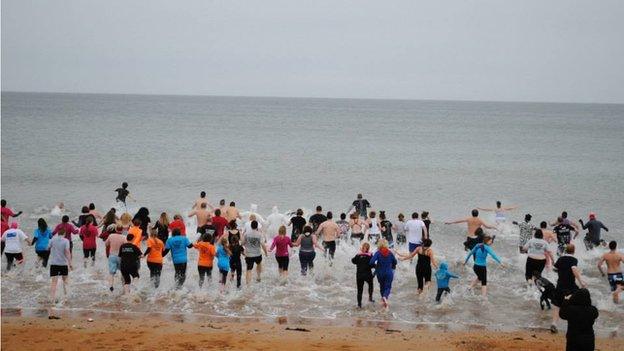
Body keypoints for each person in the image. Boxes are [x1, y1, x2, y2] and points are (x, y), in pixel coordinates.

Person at [551, 244, 587, 334]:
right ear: (574, 251)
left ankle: (554, 324)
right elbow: (574, 269)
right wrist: (581, 281)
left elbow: (554, 269)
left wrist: (561, 271)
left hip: (560, 285)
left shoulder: (561, 259)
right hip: (570, 286)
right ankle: (576, 324)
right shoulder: (574, 260)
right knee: (576, 303)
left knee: (557, 305)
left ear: (565, 250)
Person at [369, 239, 397, 309]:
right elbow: (395, 262)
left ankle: (383, 300)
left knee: (382, 286)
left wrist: (376, 266)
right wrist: (392, 265)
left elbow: (371, 262)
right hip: (388, 272)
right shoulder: (390, 253)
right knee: (388, 287)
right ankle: (385, 297)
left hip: (380, 272)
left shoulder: (378, 253)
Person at [47, 228, 72, 305]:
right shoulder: (66, 241)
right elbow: (67, 252)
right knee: (65, 281)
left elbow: (47, 248)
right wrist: (70, 263)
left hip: (54, 264)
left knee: (54, 282)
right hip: (63, 264)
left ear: (58, 233)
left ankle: (52, 299)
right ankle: (65, 297)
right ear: (64, 234)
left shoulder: (52, 240)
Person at [242, 220, 267, 285]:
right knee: (259, 264)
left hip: (249, 255)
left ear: (251, 226)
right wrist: (266, 252)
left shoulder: (246, 233)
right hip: (257, 254)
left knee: (249, 269)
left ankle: (248, 284)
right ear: (257, 226)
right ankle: (258, 277)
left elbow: (242, 243)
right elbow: (263, 244)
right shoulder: (259, 234)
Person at [351, 242, 374, 308]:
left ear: (362, 248)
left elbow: (353, 261)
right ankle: (370, 298)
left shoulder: (358, 255)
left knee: (359, 290)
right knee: (370, 285)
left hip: (359, 275)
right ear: (368, 249)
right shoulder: (370, 255)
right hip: (367, 274)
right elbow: (372, 265)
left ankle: (359, 305)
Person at [104, 224, 127, 292]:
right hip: (121, 257)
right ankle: (124, 287)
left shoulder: (111, 236)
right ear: (122, 230)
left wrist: (107, 253)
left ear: (116, 229)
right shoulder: (124, 237)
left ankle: (111, 286)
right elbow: (126, 247)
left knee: (111, 273)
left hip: (112, 256)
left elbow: (106, 244)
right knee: (123, 272)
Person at [227, 221, 244, 288]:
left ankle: (231, 283)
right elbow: (242, 240)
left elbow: (225, 241)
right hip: (238, 249)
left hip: (230, 249)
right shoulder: (239, 232)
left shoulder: (228, 232)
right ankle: (238, 285)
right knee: (239, 272)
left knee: (232, 270)